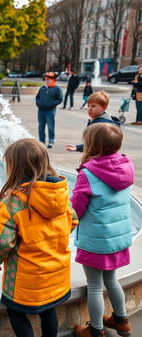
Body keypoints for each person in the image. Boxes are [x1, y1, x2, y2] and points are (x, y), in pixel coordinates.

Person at [0, 138, 78, 337]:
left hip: (25, 278)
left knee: (15, 310)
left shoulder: (13, 203)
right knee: (48, 309)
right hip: (56, 273)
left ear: (15, 168)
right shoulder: (60, 194)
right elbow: (73, 221)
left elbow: (2, 241)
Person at [71, 123, 133, 337]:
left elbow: (75, 208)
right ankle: (121, 320)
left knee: (95, 285)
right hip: (117, 238)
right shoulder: (126, 166)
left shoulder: (88, 174)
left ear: (91, 145)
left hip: (96, 240)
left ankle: (96, 331)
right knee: (111, 279)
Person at [35, 71, 63, 148]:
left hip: (50, 111)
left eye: (49, 79)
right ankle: (41, 141)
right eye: (46, 79)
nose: (47, 80)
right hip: (41, 111)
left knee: (50, 127)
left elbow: (60, 99)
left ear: (53, 79)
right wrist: (38, 103)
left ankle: (51, 141)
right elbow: (37, 97)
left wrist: (51, 105)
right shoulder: (42, 88)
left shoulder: (57, 88)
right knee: (41, 127)